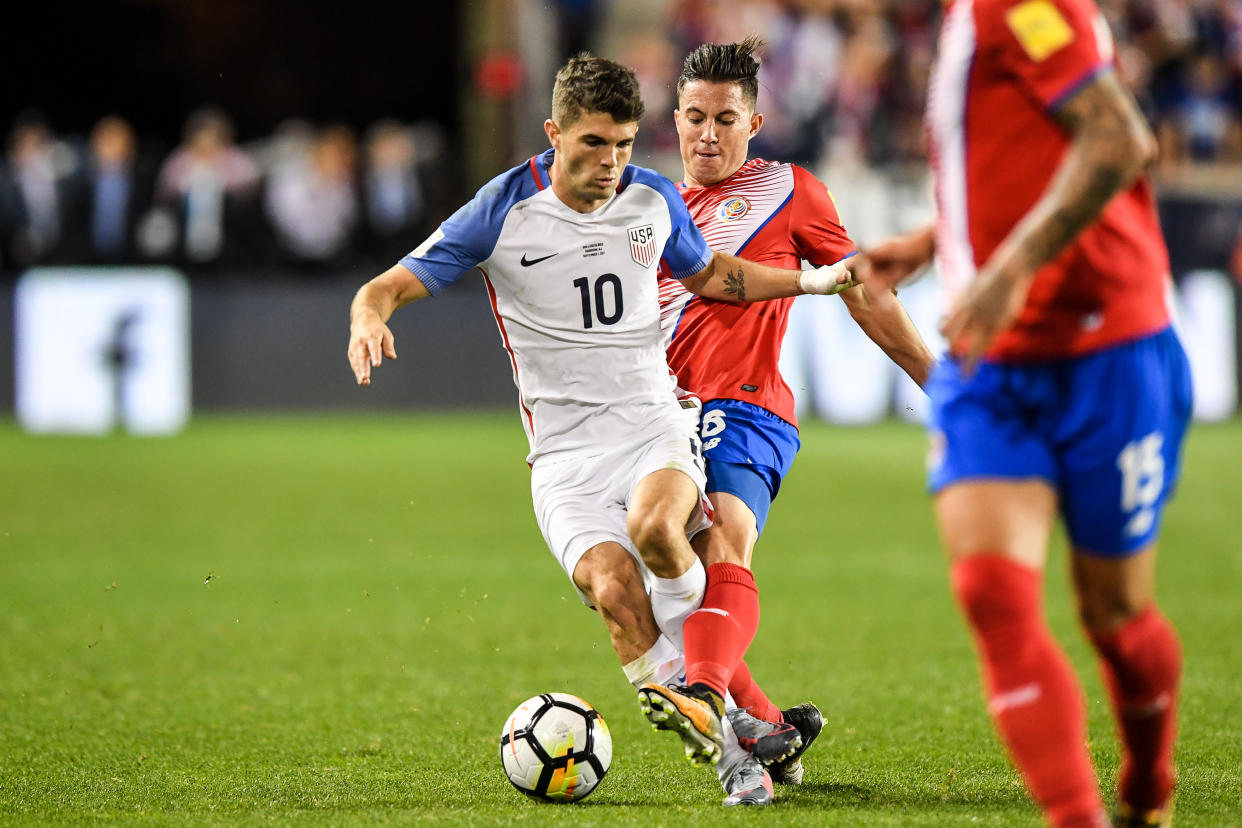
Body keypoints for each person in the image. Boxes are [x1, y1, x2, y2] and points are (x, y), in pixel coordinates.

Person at [347, 54, 852, 807]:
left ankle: (730, 755)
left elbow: (715, 274)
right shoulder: (502, 209)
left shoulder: (650, 198)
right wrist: (366, 316)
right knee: (616, 591)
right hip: (563, 455)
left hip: (654, 420)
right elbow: (389, 284)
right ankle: (755, 725)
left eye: (622, 143)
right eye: (592, 144)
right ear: (554, 135)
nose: (611, 162)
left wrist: (809, 280)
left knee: (658, 528)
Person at [860, 1, 1192, 825]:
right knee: (993, 598)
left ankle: (1149, 785)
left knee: (1114, 617)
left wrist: (1008, 267)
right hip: (993, 356)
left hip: (1106, 351)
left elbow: (1118, 140)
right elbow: (1023, 152)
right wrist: (945, 238)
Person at [649, 36, 936, 788]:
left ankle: (707, 697)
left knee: (724, 540)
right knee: (664, 584)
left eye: (725, 118)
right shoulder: (647, 206)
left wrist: (936, 377)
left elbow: (860, 287)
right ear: (674, 118)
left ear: (756, 122)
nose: (708, 134)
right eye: (694, 116)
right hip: (657, 418)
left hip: (742, 404)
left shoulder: (787, 189)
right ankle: (772, 730)